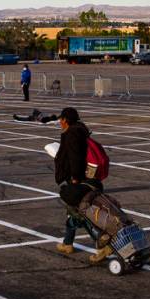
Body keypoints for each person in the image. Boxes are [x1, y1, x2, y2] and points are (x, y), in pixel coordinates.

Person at [53, 107, 109, 263]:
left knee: (80, 213)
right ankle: (67, 243)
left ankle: (101, 244)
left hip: (79, 179)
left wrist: (76, 178)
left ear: (65, 119)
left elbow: (75, 157)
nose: (59, 122)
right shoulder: (80, 129)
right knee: (73, 211)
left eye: (61, 119)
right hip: (86, 177)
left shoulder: (71, 133)